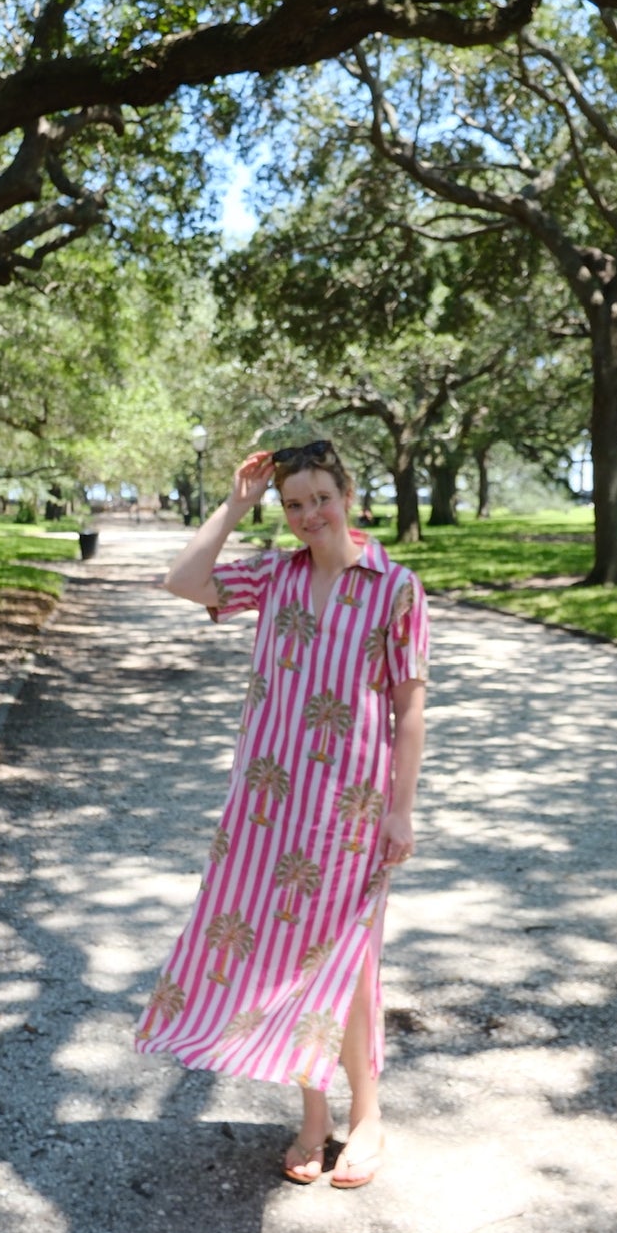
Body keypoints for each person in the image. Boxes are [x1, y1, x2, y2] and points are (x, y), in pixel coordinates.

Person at [134, 438, 429, 1189]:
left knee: (345, 956)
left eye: (320, 499)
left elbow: (409, 708)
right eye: (293, 504)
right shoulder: (275, 575)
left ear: (348, 495)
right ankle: (313, 1114)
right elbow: (182, 580)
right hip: (268, 804)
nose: (307, 515)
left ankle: (367, 1116)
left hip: (352, 807)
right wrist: (236, 504)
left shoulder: (395, 587)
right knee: (281, 952)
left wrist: (401, 812)